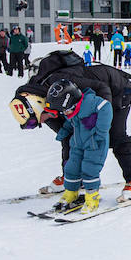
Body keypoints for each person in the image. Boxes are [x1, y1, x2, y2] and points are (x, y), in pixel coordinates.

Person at [11, 49, 131, 201]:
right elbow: (69, 137)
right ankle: (73, 178)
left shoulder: (60, 81)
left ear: (40, 106)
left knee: (115, 136)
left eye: (36, 121)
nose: (40, 123)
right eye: (32, 124)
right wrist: (71, 176)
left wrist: (104, 117)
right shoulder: (36, 100)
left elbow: (101, 87)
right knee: (70, 135)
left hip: (117, 89)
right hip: (88, 98)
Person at [44, 79, 111, 217]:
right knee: (71, 168)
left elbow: (106, 107)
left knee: (89, 169)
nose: (66, 113)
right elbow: (71, 123)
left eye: (66, 110)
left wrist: (100, 133)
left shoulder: (93, 104)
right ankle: (71, 193)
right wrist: (63, 132)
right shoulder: (72, 110)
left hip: (95, 144)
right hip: (77, 143)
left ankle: (92, 197)